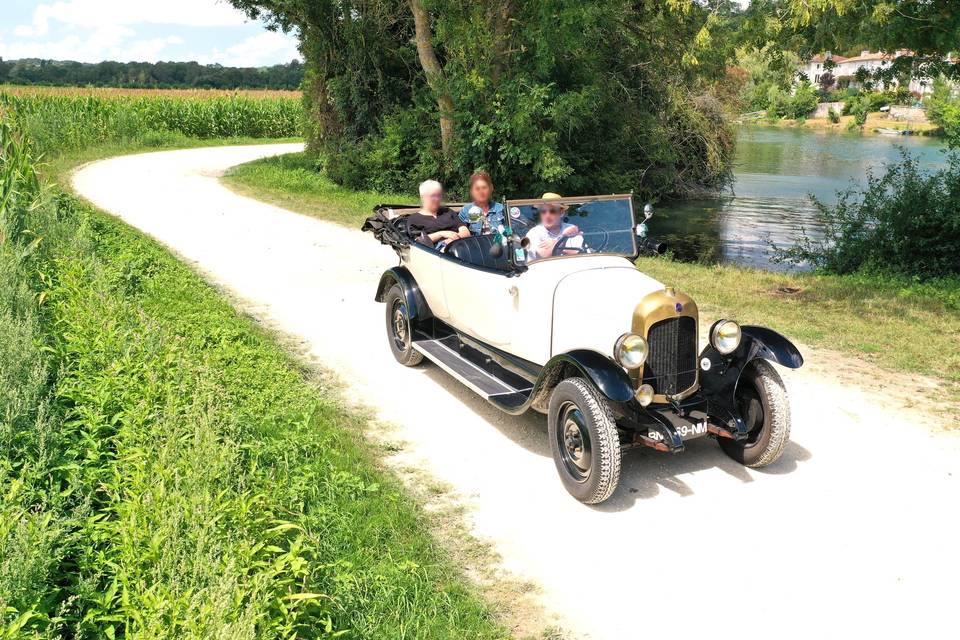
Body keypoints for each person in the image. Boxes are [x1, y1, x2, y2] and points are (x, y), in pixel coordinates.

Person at [407, 180, 470, 249]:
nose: (437, 199)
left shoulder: (448, 212)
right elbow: (418, 241)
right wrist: (441, 234)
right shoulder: (414, 219)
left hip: (460, 246)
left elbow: (465, 231)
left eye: (439, 195)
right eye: (433, 196)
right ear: (423, 197)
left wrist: (452, 240)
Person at [524, 193, 582, 261]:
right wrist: (562, 238)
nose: (547, 215)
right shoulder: (534, 233)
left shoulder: (571, 228)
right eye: (543, 211)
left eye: (552, 211)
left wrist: (554, 244)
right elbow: (544, 255)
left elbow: (578, 255)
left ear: (562, 212)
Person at [459, 171, 505, 235]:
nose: (481, 192)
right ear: (472, 191)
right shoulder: (465, 211)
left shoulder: (501, 209)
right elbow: (459, 235)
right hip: (476, 244)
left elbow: (518, 229)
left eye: (484, 188)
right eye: (477, 189)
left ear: (491, 188)